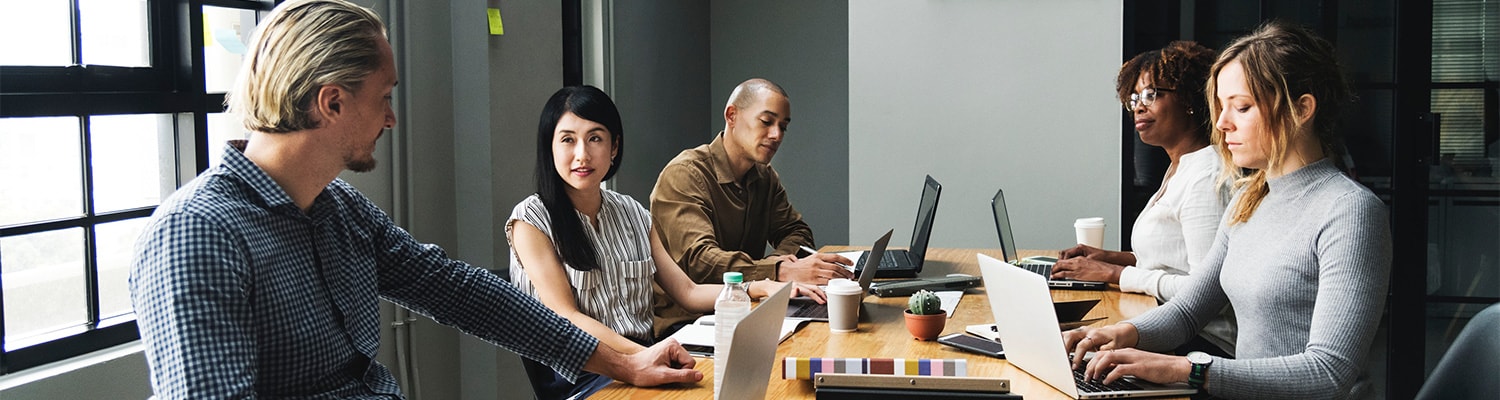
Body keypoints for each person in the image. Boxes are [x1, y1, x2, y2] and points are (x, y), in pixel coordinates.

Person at [128, 1, 700, 398]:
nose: (392, 118)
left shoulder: (341, 211)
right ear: (331, 103)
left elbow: (464, 293)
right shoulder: (196, 236)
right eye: (383, 98)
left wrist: (625, 362)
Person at [1063, 21, 1391, 399]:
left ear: (1302, 109)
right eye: (1220, 107)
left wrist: (1185, 370)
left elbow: (1329, 373)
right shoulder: (1250, 197)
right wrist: (1116, 334)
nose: (1221, 123)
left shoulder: (1350, 212)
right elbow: (1187, 311)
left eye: (1243, 107)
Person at [506, 85, 824, 399]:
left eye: (595, 138)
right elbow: (567, 316)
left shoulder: (631, 212)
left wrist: (759, 287)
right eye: (567, 140)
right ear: (550, 147)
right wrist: (644, 355)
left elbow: (687, 291)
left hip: (645, 365)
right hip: (583, 381)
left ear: (614, 147)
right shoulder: (531, 220)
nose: (582, 154)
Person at [1050, 41, 1236, 357]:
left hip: (1202, 344)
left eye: (1152, 94)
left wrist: (1116, 274)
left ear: (1190, 99)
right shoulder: (1181, 166)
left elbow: (1205, 293)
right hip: (1168, 323)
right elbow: (1174, 261)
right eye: (1134, 97)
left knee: (1069, 350)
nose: (1138, 106)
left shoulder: (1206, 176)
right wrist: (1110, 258)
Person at [648, 78, 853, 332]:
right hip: (690, 324)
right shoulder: (684, 174)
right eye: (766, 122)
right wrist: (778, 271)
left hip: (751, 308)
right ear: (732, 115)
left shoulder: (764, 176)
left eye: (783, 127)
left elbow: (797, 231)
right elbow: (700, 262)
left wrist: (781, 265)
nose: (776, 135)